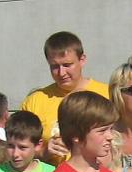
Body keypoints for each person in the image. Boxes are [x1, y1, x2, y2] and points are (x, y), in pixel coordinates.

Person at [21, 31, 109, 164]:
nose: (61, 73)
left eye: (67, 65)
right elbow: (17, 148)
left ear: (82, 60)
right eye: (54, 66)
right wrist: (44, 152)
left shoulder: (107, 94)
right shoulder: (35, 101)